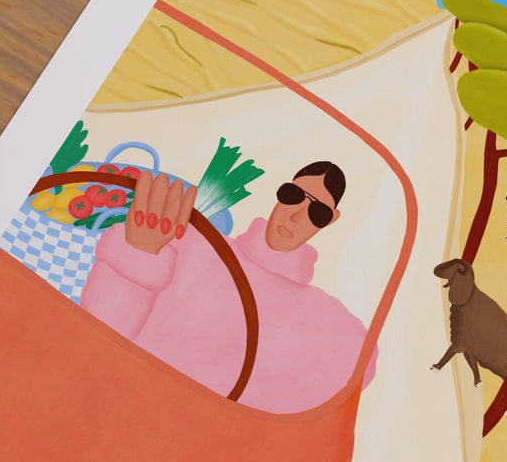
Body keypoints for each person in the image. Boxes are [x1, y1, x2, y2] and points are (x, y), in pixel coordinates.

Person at [79, 160, 377, 413]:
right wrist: (138, 256)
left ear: (330, 221)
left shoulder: (321, 321)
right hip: (114, 398)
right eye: (293, 195)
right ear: (280, 194)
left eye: (317, 212)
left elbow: (356, 366)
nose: (296, 215)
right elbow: (98, 332)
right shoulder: (191, 243)